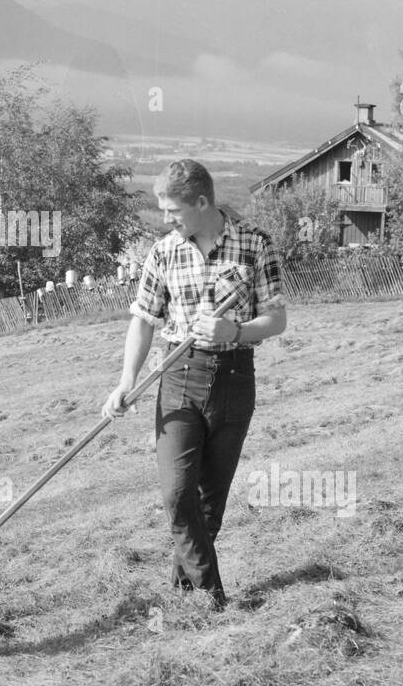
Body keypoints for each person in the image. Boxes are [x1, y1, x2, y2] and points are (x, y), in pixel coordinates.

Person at [102, 161, 287, 609]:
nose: (167, 219)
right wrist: (126, 380)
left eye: (174, 210)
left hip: (235, 377)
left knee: (209, 504)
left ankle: (184, 591)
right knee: (177, 492)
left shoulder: (255, 245)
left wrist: (236, 333)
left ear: (202, 202)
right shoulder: (164, 252)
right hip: (178, 377)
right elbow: (143, 320)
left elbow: (277, 318)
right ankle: (213, 598)